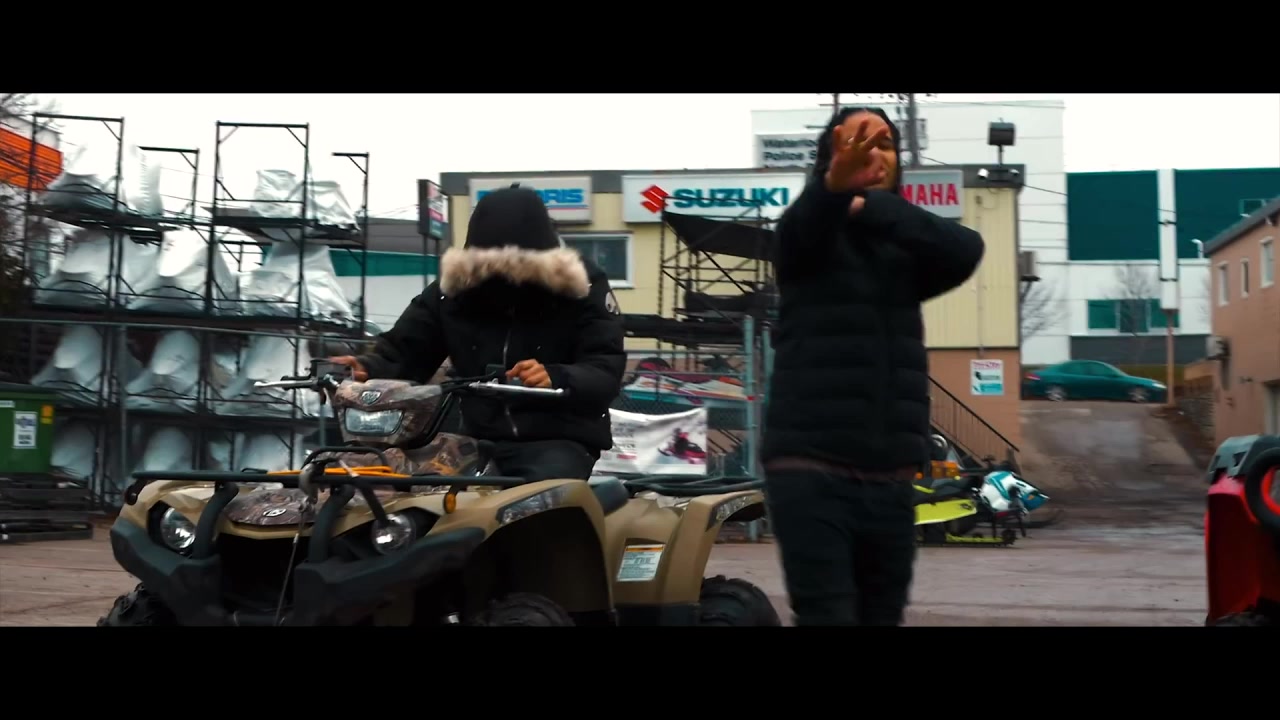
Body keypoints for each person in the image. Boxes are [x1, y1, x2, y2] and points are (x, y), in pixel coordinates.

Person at [761, 107, 986, 626]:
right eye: (857, 143)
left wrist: (872, 206)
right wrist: (834, 191)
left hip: (890, 478)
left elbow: (966, 248)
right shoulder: (806, 241)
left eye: (885, 144)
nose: (874, 154)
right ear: (829, 157)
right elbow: (800, 229)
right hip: (811, 472)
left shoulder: (902, 251)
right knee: (828, 616)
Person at [330, 185, 626, 482]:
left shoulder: (582, 288)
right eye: (488, 269)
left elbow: (605, 367)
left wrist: (556, 376)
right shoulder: (454, 291)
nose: (504, 279)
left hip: (560, 439)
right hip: (474, 437)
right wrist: (368, 367)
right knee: (415, 496)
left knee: (540, 502)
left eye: (521, 270)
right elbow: (407, 349)